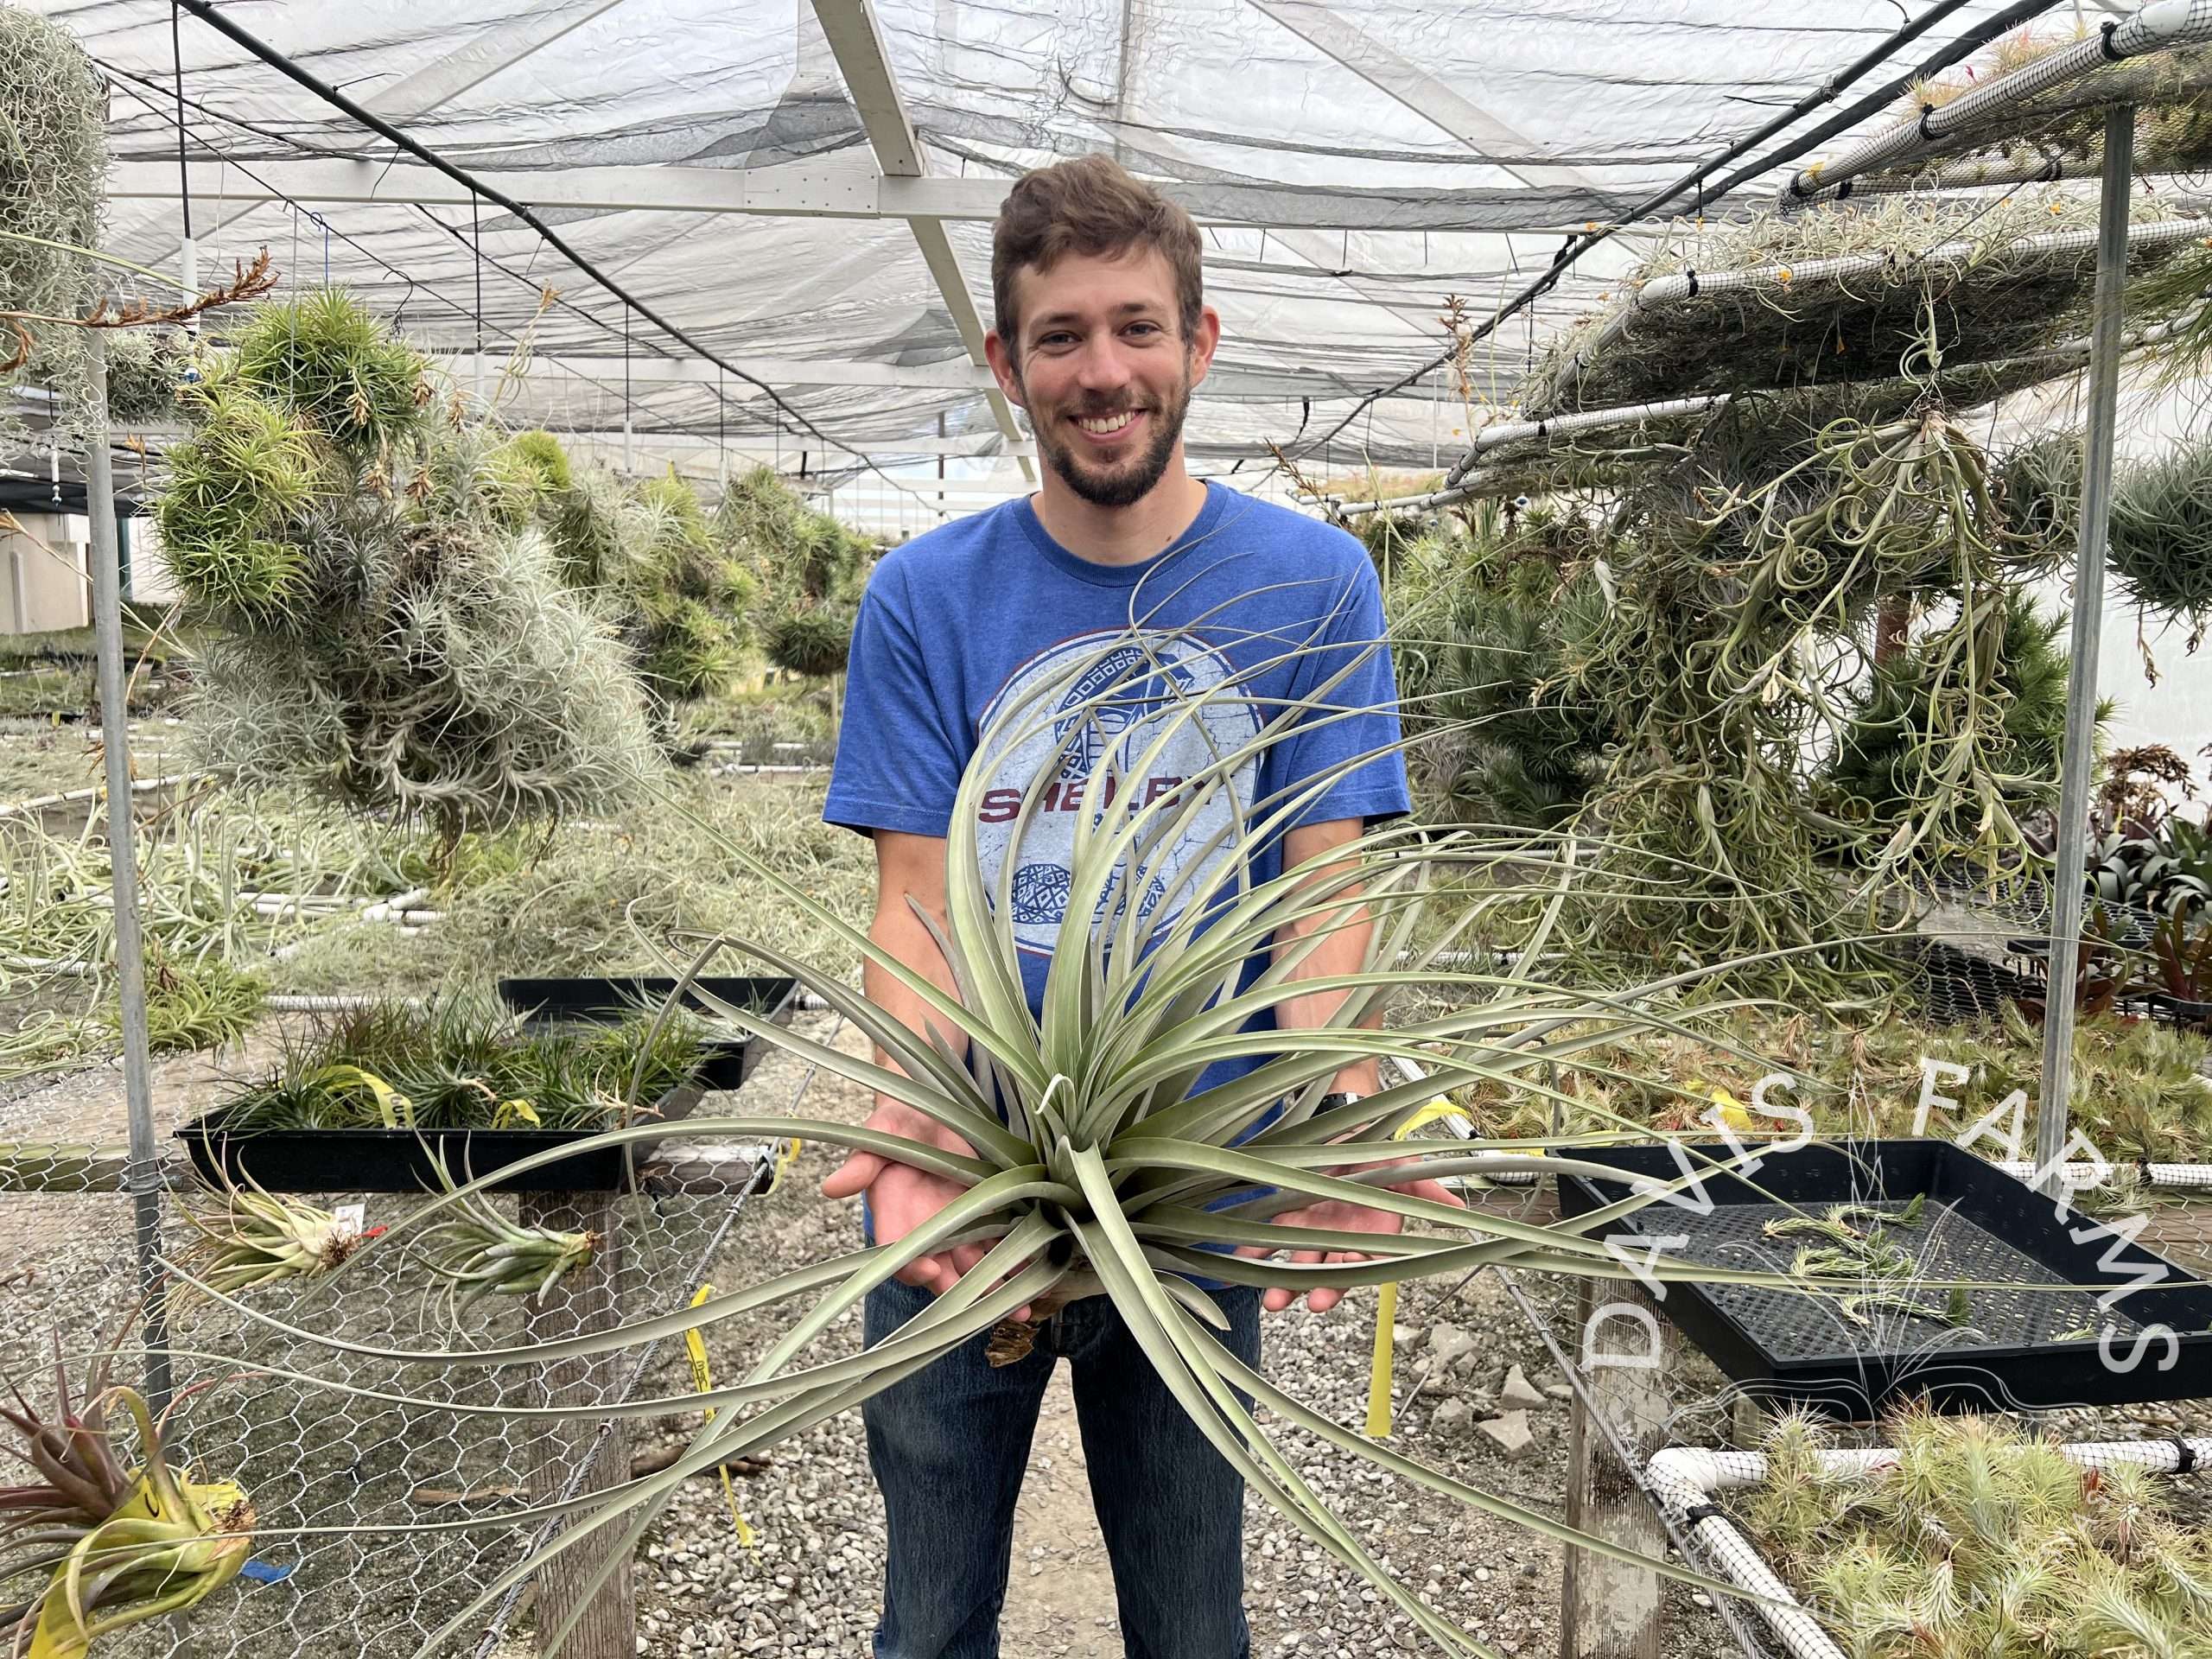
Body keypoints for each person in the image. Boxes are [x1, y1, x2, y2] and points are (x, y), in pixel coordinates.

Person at [821, 152, 1445, 1659]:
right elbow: (914, 899)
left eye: (1137, 328)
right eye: (1061, 337)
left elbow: (1324, 879)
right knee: (926, 1617)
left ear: (1199, 340)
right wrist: (909, 1112)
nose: (1104, 372)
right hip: (969, 1176)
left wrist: (1331, 1103)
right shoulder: (925, 595)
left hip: (1195, 1184)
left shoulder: (1312, 580)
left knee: (1191, 1617)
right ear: (1006, 364)